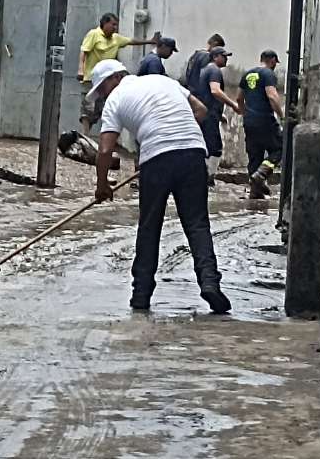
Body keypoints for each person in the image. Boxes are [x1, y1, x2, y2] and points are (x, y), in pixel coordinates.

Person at [88, 60, 231, 314]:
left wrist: (102, 186)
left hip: (157, 157)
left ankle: (141, 294)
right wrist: (176, 137)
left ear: (113, 79)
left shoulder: (115, 99)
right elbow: (200, 110)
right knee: (197, 223)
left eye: (101, 89)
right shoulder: (164, 81)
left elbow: (105, 149)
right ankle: (209, 281)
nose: (101, 95)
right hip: (193, 152)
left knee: (150, 226)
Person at [77, 13, 159, 132]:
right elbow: (84, 52)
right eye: (113, 24)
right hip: (92, 78)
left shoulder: (116, 38)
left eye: (116, 25)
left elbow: (131, 41)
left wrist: (149, 41)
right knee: (88, 108)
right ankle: (85, 135)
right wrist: (81, 69)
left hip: (109, 80)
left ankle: (106, 136)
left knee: (106, 108)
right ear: (104, 23)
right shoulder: (94, 34)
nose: (115, 27)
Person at [239, 49, 285, 199]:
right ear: (272, 60)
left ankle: (255, 191)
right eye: (275, 63)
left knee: (255, 156)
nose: (275, 66)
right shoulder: (268, 74)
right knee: (279, 149)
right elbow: (272, 96)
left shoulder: (247, 74)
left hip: (249, 122)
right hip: (265, 120)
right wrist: (282, 116)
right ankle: (261, 174)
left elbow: (239, 98)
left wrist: (244, 114)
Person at [193, 46, 242, 183]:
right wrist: (233, 105)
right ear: (215, 57)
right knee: (215, 148)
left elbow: (206, 95)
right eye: (224, 56)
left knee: (207, 146)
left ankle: (204, 176)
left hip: (207, 113)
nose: (226, 59)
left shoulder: (205, 70)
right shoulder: (214, 70)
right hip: (209, 115)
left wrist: (220, 114)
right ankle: (208, 178)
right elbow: (215, 91)